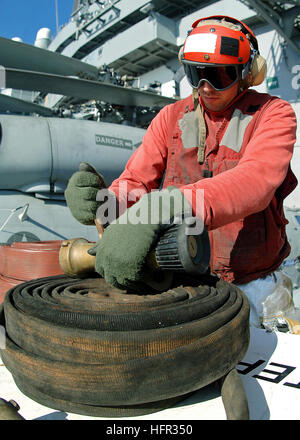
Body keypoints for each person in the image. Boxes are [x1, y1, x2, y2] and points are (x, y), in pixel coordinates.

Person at [65, 15, 298, 327]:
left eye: (220, 75)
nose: (206, 87)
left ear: (247, 72)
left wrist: (168, 204)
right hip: (185, 280)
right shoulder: (170, 118)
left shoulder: (273, 113)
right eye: (196, 73)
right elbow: (135, 181)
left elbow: (256, 182)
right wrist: (106, 203)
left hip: (254, 285)